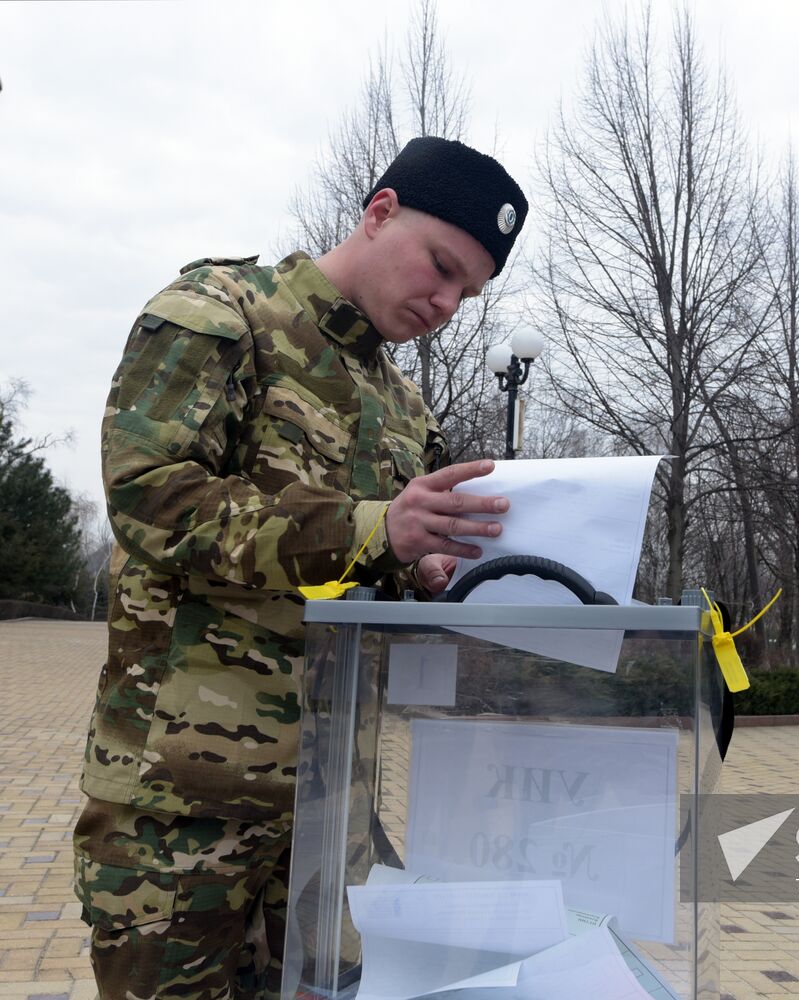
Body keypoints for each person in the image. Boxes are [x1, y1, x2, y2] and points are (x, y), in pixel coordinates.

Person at [73, 137, 528, 1000]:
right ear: (380, 212)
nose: (446, 302)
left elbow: (380, 562)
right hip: (183, 812)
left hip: (327, 820)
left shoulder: (403, 408)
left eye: (468, 291)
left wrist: (422, 568)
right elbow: (151, 500)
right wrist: (372, 529)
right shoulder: (220, 313)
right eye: (440, 266)